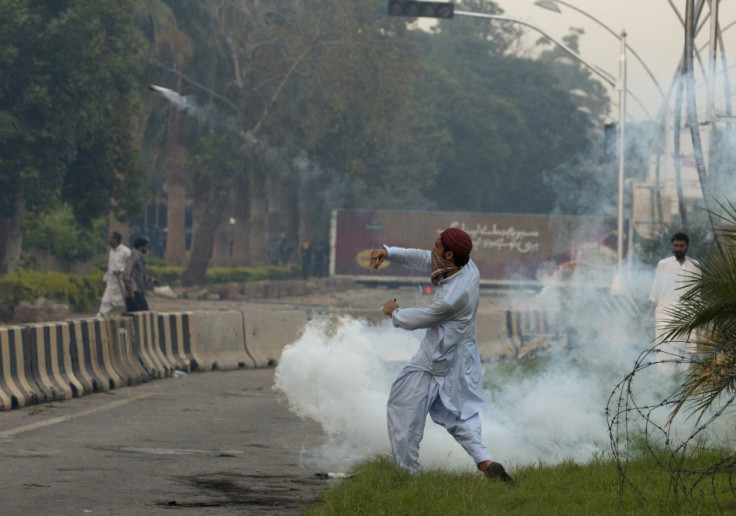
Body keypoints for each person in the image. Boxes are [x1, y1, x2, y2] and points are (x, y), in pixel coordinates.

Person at [369, 228, 512, 482]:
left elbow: (424, 318)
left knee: (402, 406)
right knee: (458, 414)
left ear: (448, 254)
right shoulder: (468, 267)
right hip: (462, 359)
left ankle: (407, 475)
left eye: (436, 246)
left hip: (436, 358)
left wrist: (394, 312)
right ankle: (485, 462)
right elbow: (425, 258)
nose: (432, 250)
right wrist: (389, 253)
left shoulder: (452, 298)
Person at [648, 232, 700, 368]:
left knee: (687, 349)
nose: (678, 249)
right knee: (664, 348)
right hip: (665, 312)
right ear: (672, 246)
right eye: (675, 246)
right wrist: (652, 309)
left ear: (687, 246)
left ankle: (684, 380)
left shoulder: (695, 266)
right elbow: (656, 287)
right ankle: (664, 380)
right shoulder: (663, 264)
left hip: (688, 313)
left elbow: (697, 292)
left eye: (681, 246)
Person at [97, 232, 131, 317]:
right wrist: (105, 279)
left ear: (115, 240)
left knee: (122, 303)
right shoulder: (111, 252)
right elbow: (110, 267)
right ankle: (99, 318)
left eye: (111, 238)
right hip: (111, 281)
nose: (109, 240)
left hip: (121, 282)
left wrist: (121, 270)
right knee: (105, 301)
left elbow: (130, 265)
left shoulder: (125, 251)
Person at [123, 237, 160, 312]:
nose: (147, 249)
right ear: (141, 247)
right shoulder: (132, 258)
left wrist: (153, 280)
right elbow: (126, 276)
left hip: (137, 291)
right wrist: (130, 292)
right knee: (142, 313)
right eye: (146, 247)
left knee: (138, 314)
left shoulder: (139, 258)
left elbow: (141, 275)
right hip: (133, 291)